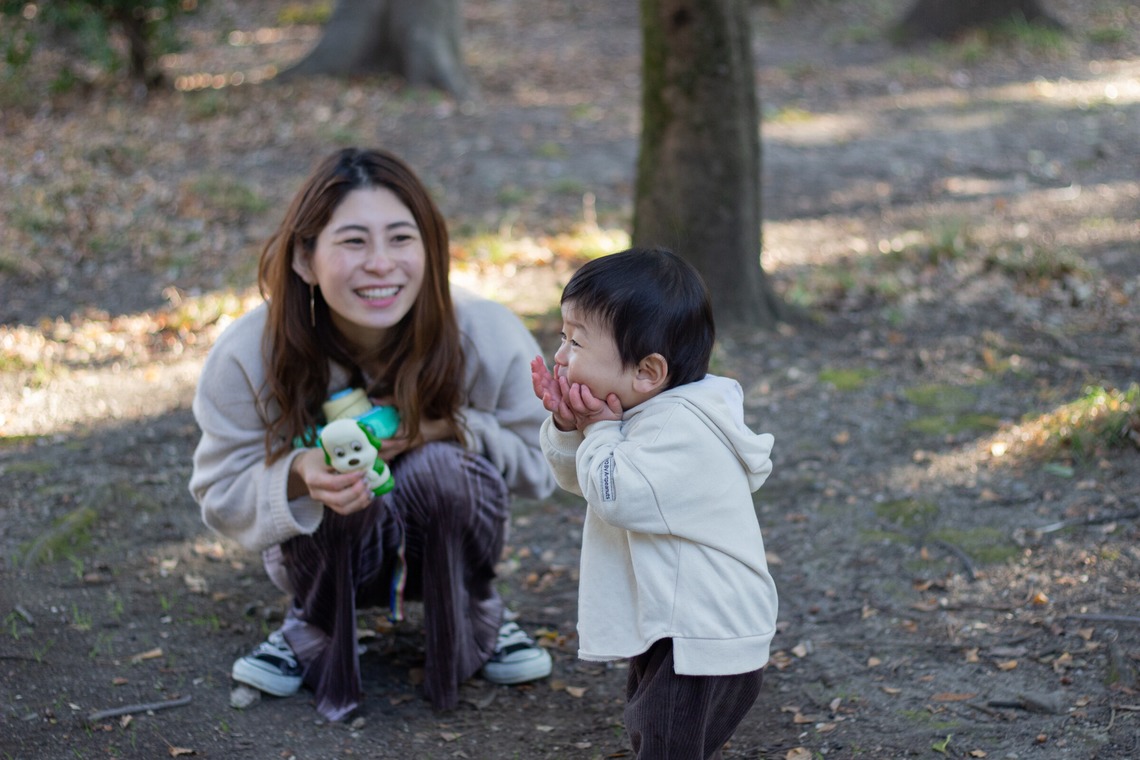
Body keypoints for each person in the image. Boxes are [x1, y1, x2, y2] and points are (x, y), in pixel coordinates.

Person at [189, 147, 556, 722]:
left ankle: (474, 613)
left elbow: (545, 463)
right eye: (354, 242)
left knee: (441, 471)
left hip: (450, 530)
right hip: (331, 550)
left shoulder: (485, 331)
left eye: (402, 239)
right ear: (306, 259)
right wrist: (298, 473)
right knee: (336, 489)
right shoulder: (249, 353)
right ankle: (311, 624)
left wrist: (447, 430)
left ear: (431, 250)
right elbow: (217, 492)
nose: (382, 264)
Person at [530, 247, 778, 759]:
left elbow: (613, 495)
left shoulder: (678, 427)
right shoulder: (649, 413)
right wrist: (567, 426)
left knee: (665, 743)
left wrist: (597, 427)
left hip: (701, 634)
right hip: (670, 625)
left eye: (576, 341)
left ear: (647, 372)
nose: (560, 356)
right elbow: (582, 480)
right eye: (562, 337)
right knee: (657, 736)